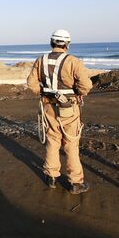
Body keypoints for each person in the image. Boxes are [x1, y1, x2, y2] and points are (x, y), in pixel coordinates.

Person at [27, 29, 93, 194]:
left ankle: (51, 176)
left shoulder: (40, 60)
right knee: (70, 144)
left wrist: (43, 92)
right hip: (69, 109)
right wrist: (77, 93)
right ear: (67, 44)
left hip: (49, 107)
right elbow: (86, 86)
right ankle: (76, 182)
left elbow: (32, 84)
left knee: (53, 140)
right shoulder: (73, 62)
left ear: (51, 42)